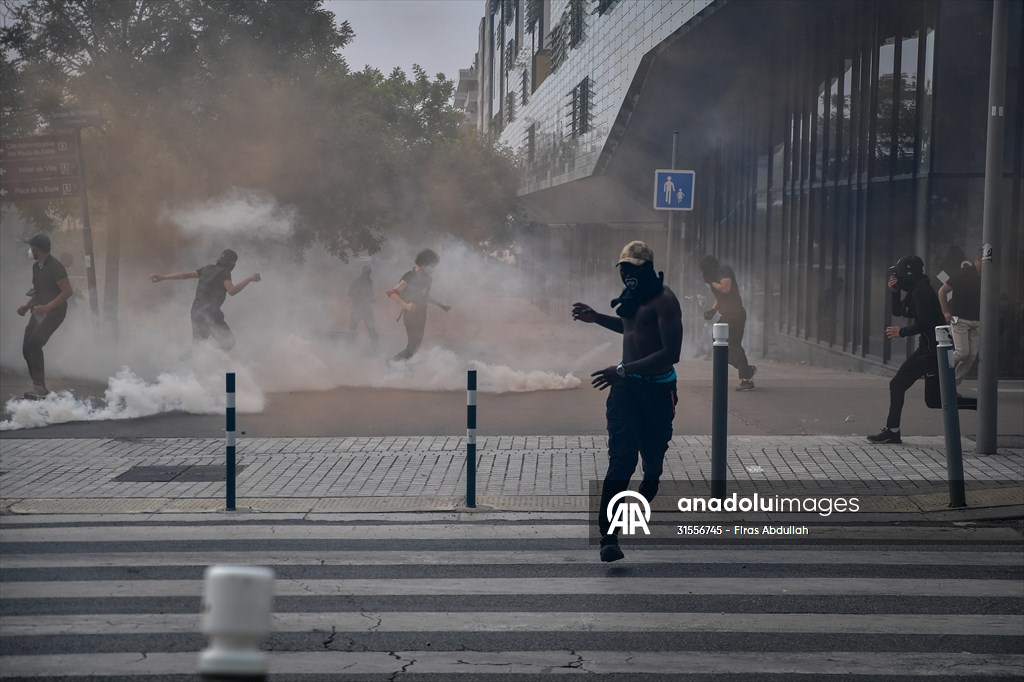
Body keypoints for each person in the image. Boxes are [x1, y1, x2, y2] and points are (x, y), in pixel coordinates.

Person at [572, 241, 682, 563]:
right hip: (626, 392)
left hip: (658, 394)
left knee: (652, 466)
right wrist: (597, 318)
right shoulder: (631, 300)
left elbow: (671, 352)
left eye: (634, 269)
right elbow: (631, 328)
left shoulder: (665, 301)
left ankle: (649, 481)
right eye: (623, 269)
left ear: (647, 269)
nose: (628, 275)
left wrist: (623, 369)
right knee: (621, 460)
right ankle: (609, 536)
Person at [868, 255, 976, 445]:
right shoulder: (916, 290)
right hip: (932, 350)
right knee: (934, 400)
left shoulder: (921, 292)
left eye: (899, 273)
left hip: (931, 352)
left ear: (908, 273)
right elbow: (900, 311)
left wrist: (901, 332)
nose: (896, 277)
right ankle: (980, 405)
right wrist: (894, 292)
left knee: (897, 385)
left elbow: (925, 323)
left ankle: (892, 432)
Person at [150, 249, 260, 351]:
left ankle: (187, 369)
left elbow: (185, 275)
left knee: (199, 348)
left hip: (196, 312)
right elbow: (231, 290)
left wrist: (163, 277)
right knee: (228, 343)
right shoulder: (224, 273)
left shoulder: (207, 268)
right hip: (210, 313)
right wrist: (250, 279)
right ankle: (215, 362)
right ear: (232, 263)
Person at [17, 234, 73, 400]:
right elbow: (38, 291)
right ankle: (37, 386)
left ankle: (40, 389)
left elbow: (67, 291)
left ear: (38, 249)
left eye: (31, 247)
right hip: (39, 311)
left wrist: (48, 306)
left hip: (55, 312)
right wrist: (27, 305)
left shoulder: (56, 266)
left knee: (34, 344)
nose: (30, 250)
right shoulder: (36, 267)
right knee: (26, 349)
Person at [700, 255, 757, 390]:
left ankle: (746, 375)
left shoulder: (724, 271)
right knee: (721, 345)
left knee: (732, 345)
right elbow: (721, 297)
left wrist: (711, 282)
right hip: (727, 315)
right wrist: (713, 311)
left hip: (735, 314)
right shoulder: (715, 277)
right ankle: (746, 370)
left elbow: (726, 289)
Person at [386, 249, 451, 362]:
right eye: (432, 265)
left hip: (422, 315)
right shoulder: (409, 276)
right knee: (412, 346)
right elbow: (392, 293)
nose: (433, 269)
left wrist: (442, 305)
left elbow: (425, 295)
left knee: (415, 347)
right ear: (423, 264)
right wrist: (406, 305)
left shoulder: (428, 279)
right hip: (410, 315)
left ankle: (401, 366)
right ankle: (392, 363)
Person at [937, 248, 981, 387]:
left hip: (977, 321)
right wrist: (946, 312)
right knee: (962, 353)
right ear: (978, 260)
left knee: (971, 356)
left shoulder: (988, 277)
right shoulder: (964, 273)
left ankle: (951, 385)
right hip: (959, 319)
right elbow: (942, 291)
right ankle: (941, 365)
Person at [347, 264, 379, 347]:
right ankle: (348, 347)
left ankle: (377, 349)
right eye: (367, 272)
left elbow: (370, 293)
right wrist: (361, 298)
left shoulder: (370, 281)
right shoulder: (356, 281)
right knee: (352, 328)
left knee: (371, 329)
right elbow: (349, 293)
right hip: (357, 308)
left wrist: (371, 299)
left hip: (366, 309)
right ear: (363, 272)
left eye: (369, 272)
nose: (368, 274)